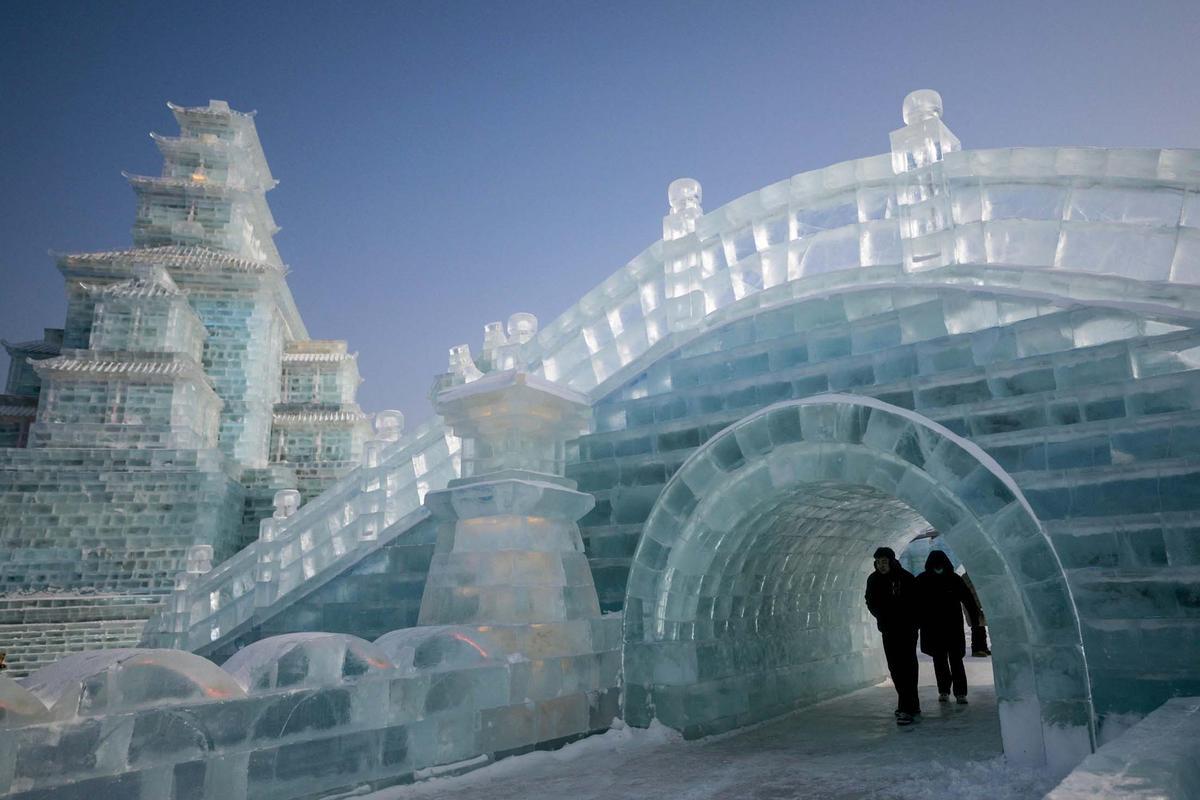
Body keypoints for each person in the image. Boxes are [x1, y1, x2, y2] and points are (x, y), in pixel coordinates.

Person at [865, 546, 921, 725]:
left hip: (907, 629)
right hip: (888, 629)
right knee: (895, 667)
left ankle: (906, 708)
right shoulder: (873, 579)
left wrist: (913, 621)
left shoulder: (905, 578)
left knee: (908, 666)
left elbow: (917, 602)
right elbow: (870, 600)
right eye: (879, 562)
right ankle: (911, 704)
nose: (881, 565)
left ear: (891, 561)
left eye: (884, 561)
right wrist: (880, 615)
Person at [916, 550, 981, 704]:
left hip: (949, 627)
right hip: (936, 627)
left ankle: (957, 692)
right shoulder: (925, 579)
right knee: (941, 660)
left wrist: (975, 619)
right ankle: (947, 690)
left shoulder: (950, 579)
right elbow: (914, 602)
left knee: (953, 659)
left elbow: (968, 599)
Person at [960, 572, 991, 656]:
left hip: (977, 604)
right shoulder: (967, 577)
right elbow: (971, 592)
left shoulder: (971, 576)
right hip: (971, 605)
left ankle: (983, 647)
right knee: (976, 627)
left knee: (981, 626)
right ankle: (976, 649)